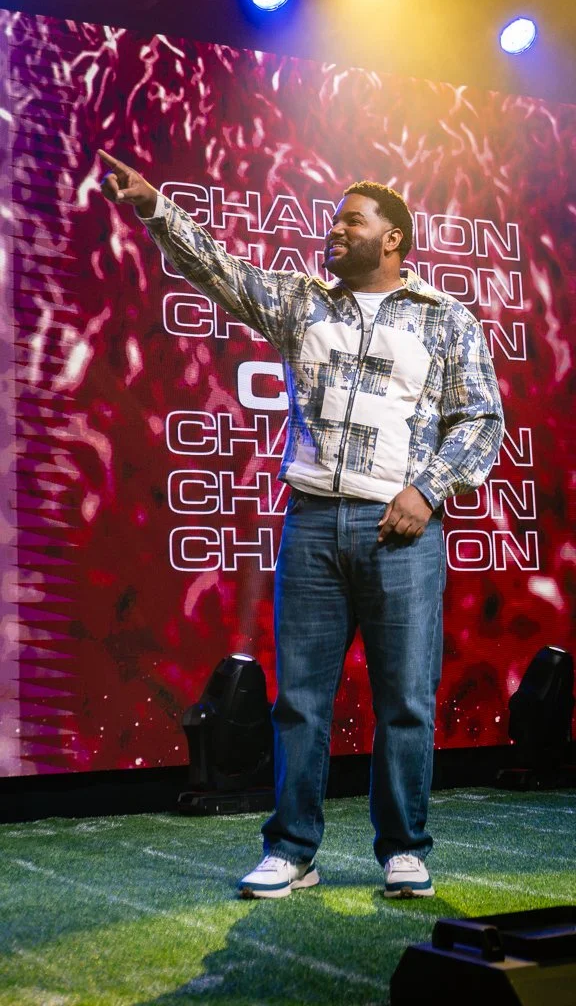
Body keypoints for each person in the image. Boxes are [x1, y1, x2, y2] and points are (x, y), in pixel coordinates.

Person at [98, 149, 504, 899]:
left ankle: (405, 849)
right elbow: (217, 269)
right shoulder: (300, 301)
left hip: (403, 530)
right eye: (334, 220)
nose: (334, 230)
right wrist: (156, 207)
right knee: (301, 701)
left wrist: (427, 491)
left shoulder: (447, 320)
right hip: (313, 524)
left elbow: (481, 420)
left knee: (407, 700)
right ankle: (292, 850)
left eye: (352, 220)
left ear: (393, 239)